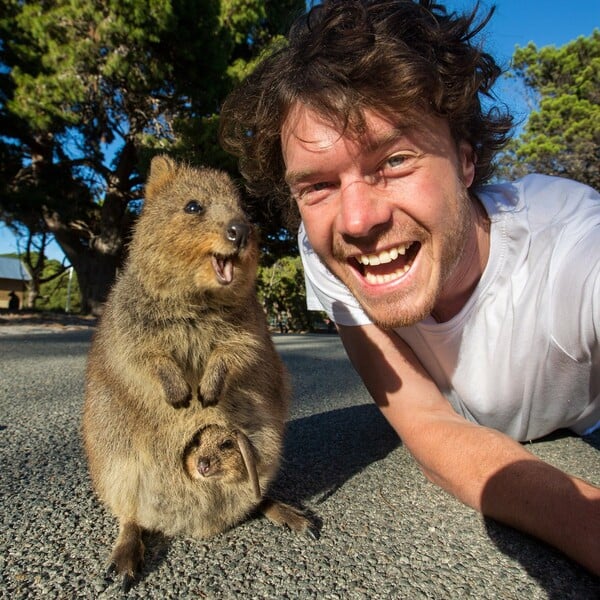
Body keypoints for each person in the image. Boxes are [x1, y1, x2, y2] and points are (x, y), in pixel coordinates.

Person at [219, 0, 600, 575]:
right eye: (318, 185)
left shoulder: (570, 247)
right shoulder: (325, 251)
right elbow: (427, 424)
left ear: (466, 162)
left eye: (394, 160)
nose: (355, 220)